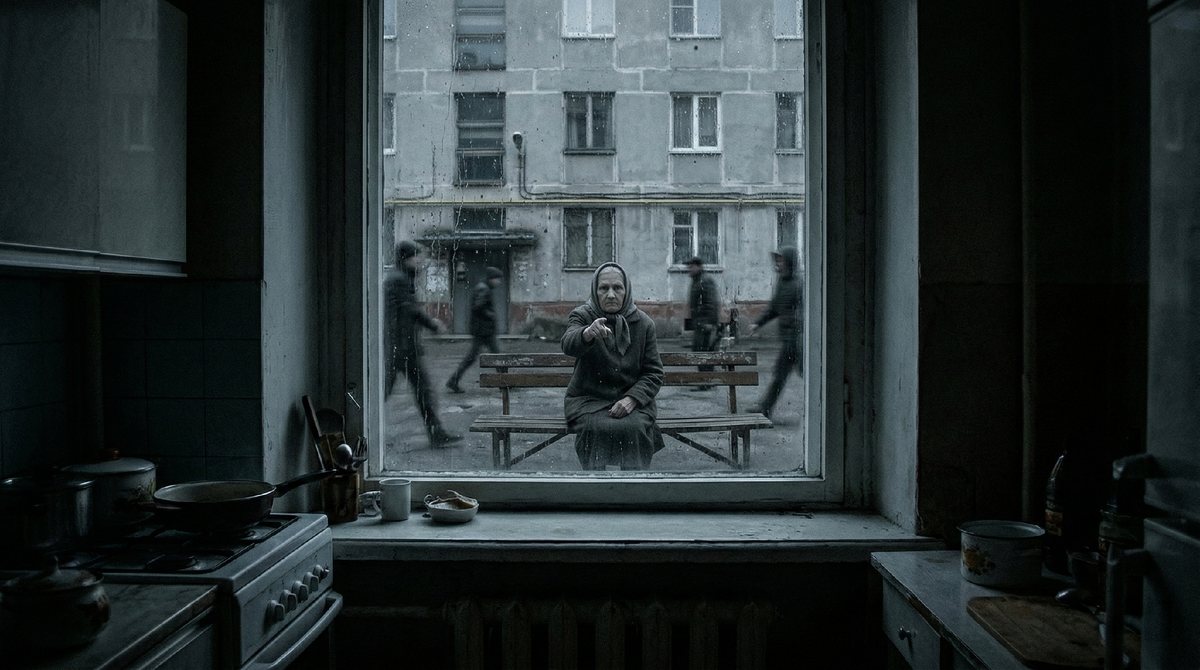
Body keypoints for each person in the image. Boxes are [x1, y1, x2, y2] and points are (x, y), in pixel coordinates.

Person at [562, 262, 666, 470]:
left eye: (617, 288)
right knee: (596, 427)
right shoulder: (582, 315)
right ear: (595, 291)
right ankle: (597, 485)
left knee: (635, 428)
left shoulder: (644, 324)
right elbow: (568, 344)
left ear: (626, 291)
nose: (611, 295)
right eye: (604, 288)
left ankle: (632, 485)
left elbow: (654, 373)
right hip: (589, 401)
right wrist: (587, 333)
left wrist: (632, 399)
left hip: (632, 402)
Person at [384, 241, 462, 447]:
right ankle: (436, 433)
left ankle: (437, 433)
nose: (419, 260)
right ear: (405, 259)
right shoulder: (399, 280)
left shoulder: (400, 278)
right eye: (415, 256)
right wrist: (432, 324)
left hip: (399, 346)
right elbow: (409, 310)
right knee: (416, 390)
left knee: (416, 390)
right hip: (402, 347)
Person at [747, 246, 803, 420]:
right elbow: (774, 307)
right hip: (789, 340)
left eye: (781, 260)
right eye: (777, 260)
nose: (777, 263)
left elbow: (805, 312)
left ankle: (765, 408)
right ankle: (765, 408)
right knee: (780, 375)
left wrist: (797, 326)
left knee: (807, 374)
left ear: (789, 262)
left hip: (798, 340)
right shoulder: (782, 282)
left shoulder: (799, 284)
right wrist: (758, 322)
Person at [446, 266, 503, 393]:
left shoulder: (484, 287)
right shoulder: (484, 289)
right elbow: (477, 307)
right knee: (497, 356)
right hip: (483, 330)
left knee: (483, 356)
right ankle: (505, 382)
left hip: (482, 329)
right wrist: (491, 315)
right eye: (497, 279)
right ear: (492, 278)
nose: (498, 282)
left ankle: (453, 380)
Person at [685, 256, 721, 390]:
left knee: (701, 351)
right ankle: (708, 380)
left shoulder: (705, 280)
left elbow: (712, 302)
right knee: (702, 351)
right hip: (700, 322)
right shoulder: (697, 280)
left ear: (699, 267)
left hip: (705, 323)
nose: (689, 269)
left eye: (691, 267)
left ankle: (706, 381)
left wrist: (711, 322)